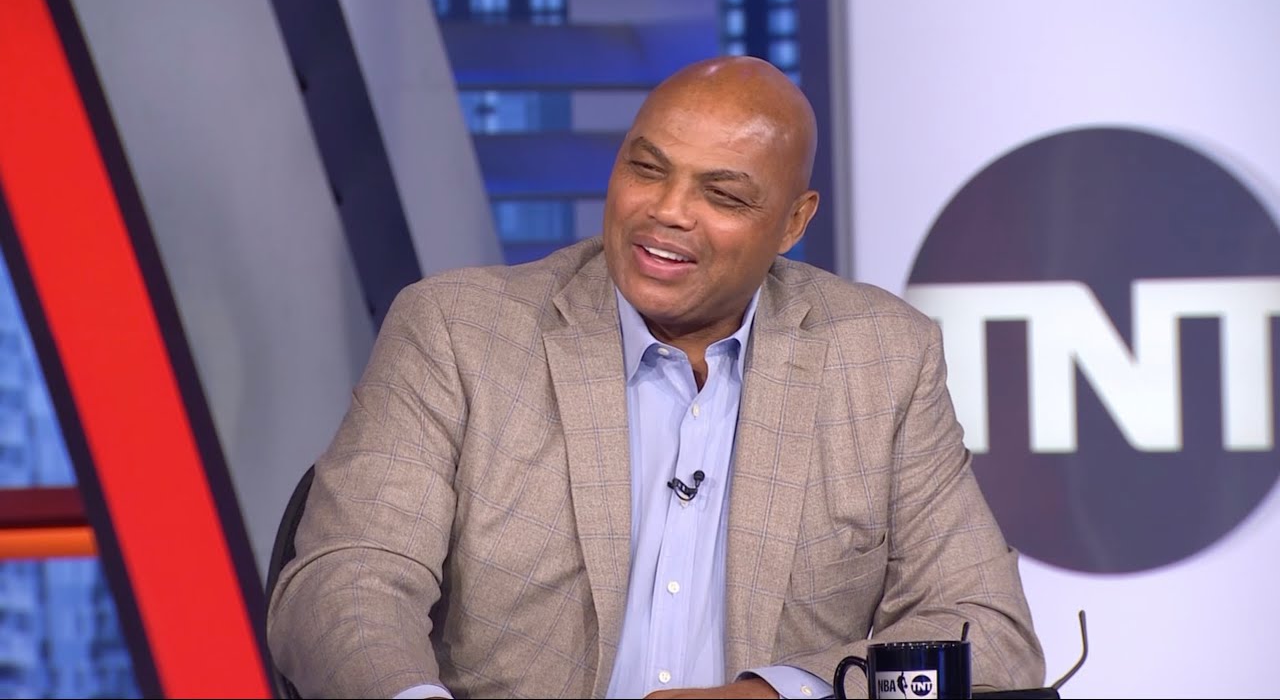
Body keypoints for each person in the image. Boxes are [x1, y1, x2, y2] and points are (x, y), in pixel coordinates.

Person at [266, 55, 1045, 699]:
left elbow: (986, 630)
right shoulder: (460, 333)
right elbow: (346, 581)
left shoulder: (880, 358)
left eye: (723, 194)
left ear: (793, 222)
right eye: (647, 169)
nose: (667, 211)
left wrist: (779, 693)